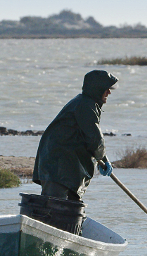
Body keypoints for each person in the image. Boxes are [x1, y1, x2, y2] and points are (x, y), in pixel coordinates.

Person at [32, 69, 118, 202]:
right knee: (54, 207)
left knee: (69, 209)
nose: (109, 92)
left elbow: (90, 138)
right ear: (97, 88)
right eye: (106, 88)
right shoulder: (85, 106)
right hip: (58, 166)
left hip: (65, 166)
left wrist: (103, 158)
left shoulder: (86, 104)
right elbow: (94, 138)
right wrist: (103, 159)